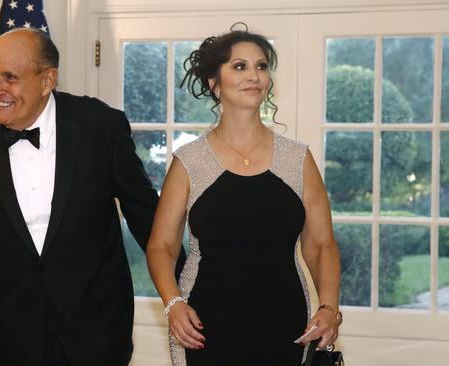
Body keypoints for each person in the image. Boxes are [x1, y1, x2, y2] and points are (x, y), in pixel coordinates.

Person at [0, 28, 181, 366]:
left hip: (94, 324)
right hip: (5, 326)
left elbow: (147, 216)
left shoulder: (99, 127)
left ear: (48, 80)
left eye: (10, 77)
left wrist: (184, 292)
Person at [146, 23, 342, 365]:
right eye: (240, 66)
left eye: (261, 66)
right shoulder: (189, 162)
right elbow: (161, 246)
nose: (254, 74)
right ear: (213, 82)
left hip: (286, 323)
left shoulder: (298, 158)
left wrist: (329, 307)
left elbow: (321, 245)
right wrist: (173, 304)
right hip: (204, 327)